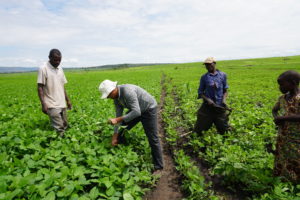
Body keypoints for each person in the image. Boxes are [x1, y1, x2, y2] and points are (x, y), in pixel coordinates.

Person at [99, 80, 164, 173]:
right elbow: (118, 115)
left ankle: (159, 166)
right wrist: (115, 135)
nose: (108, 97)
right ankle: (121, 147)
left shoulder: (127, 91)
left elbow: (136, 112)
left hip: (148, 109)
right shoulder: (116, 99)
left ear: (113, 89)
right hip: (136, 109)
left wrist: (118, 120)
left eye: (109, 95)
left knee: (152, 137)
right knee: (122, 126)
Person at [272, 70, 300, 183]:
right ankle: (282, 180)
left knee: (296, 159)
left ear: (293, 83)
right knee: (281, 157)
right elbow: (274, 110)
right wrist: (276, 117)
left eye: (282, 84)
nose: (280, 87)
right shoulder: (282, 98)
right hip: (283, 136)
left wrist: (283, 118)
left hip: (297, 138)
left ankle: (295, 183)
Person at [37, 49, 72, 136]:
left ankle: (64, 142)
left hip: (61, 102)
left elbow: (62, 86)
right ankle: (60, 144)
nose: (57, 62)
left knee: (65, 125)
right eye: (55, 60)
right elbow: (40, 87)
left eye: (59, 60)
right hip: (51, 103)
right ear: (49, 58)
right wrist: (43, 104)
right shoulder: (43, 68)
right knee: (59, 128)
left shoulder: (60, 68)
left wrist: (67, 100)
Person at [194, 57, 230, 135]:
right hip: (208, 107)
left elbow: (225, 90)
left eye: (209, 64)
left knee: (224, 129)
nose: (207, 66)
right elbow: (200, 92)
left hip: (219, 107)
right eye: (206, 65)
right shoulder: (204, 77)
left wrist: (224, 100)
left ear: (214, 63)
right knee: (200, 128)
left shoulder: (223, 75)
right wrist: (208, 100)